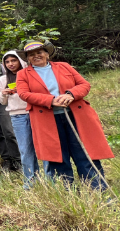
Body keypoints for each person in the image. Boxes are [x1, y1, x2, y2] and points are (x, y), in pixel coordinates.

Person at [17, 41, 114, 190]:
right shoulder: (23, 74)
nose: (36, 56)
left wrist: (71, 94)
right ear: (27, 58)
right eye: (31, 54)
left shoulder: (64, 66)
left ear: (47, 53)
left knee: (84, 152)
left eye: (40, 52)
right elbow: (24, 94)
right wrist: (51, 100)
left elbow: (84, 85)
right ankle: (68, 192)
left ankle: (97, 189)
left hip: (75, 116)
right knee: (58, 157)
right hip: (47, 120)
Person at [0, 50, 40, 189]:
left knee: (41, 146)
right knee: (25, 148)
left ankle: (48, 176)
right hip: (17, 116)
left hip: (35, 112)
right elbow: (2, 102)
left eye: (13, 60)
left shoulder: (30, 74)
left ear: (20, 61)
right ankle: (30, 180)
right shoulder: (3, 79)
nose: (10, 64)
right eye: (7, 62)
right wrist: (4, 94)